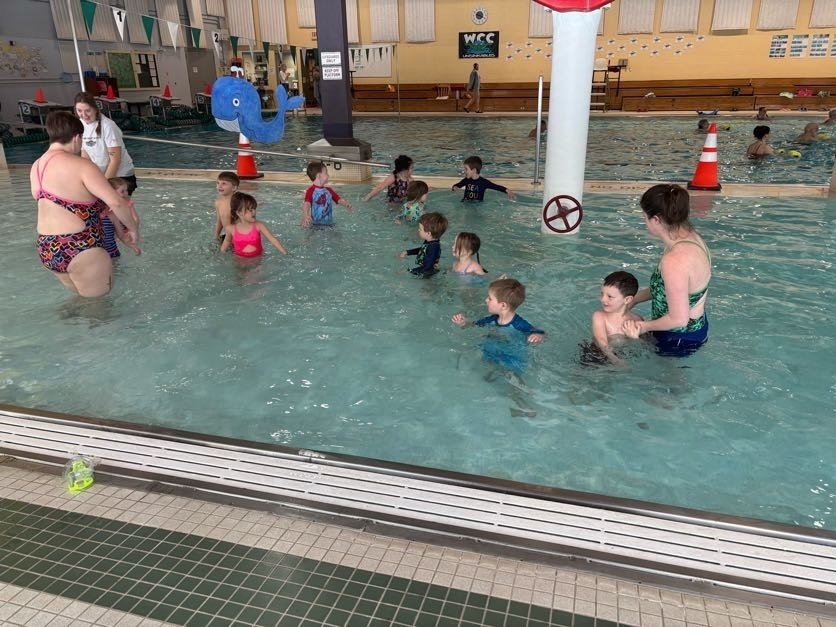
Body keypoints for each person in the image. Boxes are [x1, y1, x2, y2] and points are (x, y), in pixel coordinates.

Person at [31, 111, 139, 297]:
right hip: (80, 246)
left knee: (84, 303)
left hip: (48, 248)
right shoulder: (81, 165)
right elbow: (116, 202)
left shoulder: (36, 167)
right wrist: (133, 228)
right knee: (100, 308)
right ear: (76, 137)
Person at [623, 184, 711, 356]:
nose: (644, 221)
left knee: (667, 382)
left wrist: (642, 327)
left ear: (656, 219)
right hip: (695, 328)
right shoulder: (691, 238)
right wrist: (635, 299)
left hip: (678, 339)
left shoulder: (675, 260)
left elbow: (679, 319)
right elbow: (670, 289)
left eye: (645, 216)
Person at [452, 276, 544, 416]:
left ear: (503, 305)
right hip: (494, 353)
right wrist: (464, 323)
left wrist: (538, 336)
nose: (486, 300)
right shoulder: (492, 319)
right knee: (491, 371)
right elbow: (475, 324)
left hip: (512, 358)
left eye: (489, 298)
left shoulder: (519, 324)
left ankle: (525, 408)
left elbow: (539, 332)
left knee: (511, 381)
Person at [73, 92, 138, 195]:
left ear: (95, 108)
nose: (84, 115)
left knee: (120, 209)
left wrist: (103, 185)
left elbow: (115, 160)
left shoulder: (108, 126)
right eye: (79, 111)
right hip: (102, 175)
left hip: (121, 176)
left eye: (87, 111)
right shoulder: (81, 124)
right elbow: (85, 155)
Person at [586, 271, 643, 365]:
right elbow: (601, 341)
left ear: (627, 300)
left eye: (610, 297)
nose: (603, 299)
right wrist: (615, 360)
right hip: (595, 353)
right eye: (602, 294)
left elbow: (646, 346)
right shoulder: (599, 316)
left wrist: (635, 339)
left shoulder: (637, 320)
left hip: (622, 354)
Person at [220, 192, 288, 257]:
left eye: (254, 209)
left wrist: (285, 253)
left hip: (258, 258)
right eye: (250, 210)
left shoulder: (259, 225)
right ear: (239, 213)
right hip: (239, 260)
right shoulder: (231, 229)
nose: (254, 212)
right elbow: (227, 241)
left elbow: (273, 240)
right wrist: (221, 254)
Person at [301, 161, 353, 227]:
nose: (328, 175)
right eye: (326, 173)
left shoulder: (329, 190)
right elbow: (307, 203)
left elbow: (338, 199)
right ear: (319, 175)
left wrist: (346, 204)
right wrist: (306, 214)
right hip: (316, 225)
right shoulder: (311, 191)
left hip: (329, 224)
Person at [100, 177, 141, 257]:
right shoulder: (94, 213)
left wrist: (132, 246)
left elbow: (121, 235)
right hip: (98, 255)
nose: (126, 193)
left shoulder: (111, 215)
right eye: (122, 191)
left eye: (126, 190)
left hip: (112, 253)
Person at [399, 212, 448, 277]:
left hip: (428, 273)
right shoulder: (430, 242)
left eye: (420, 229)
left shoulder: (433, 248)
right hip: (425, 270)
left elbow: (427, 267)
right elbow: (423, 249)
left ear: (428, 233)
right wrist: (408, 252)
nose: (418, 230)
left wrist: (410, 271)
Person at [213, 171, 240, 241]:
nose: (219, 186)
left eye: (224, 183)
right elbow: (219, 220)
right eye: (218, 183)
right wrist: (216, 235)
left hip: (240, 237)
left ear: (234, 188)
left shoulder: (238, 203)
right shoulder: (218, 202)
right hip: (228, 237)